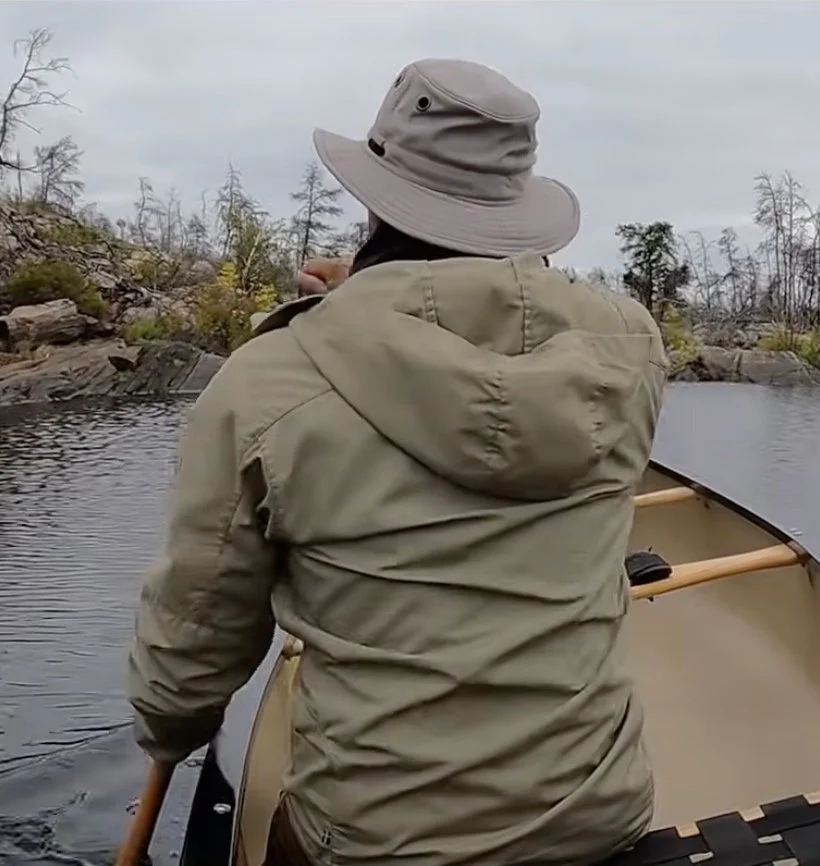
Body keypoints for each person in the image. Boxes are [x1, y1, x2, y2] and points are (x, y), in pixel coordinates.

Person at [124, 58, 669, 866]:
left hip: (382, 844)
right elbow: (496, 322)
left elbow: (195, 646)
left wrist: (170, 727)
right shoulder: (630, 349)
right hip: (601, 814)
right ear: (515, 203)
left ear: (374, 195)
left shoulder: (269, 381)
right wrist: (381, 293)